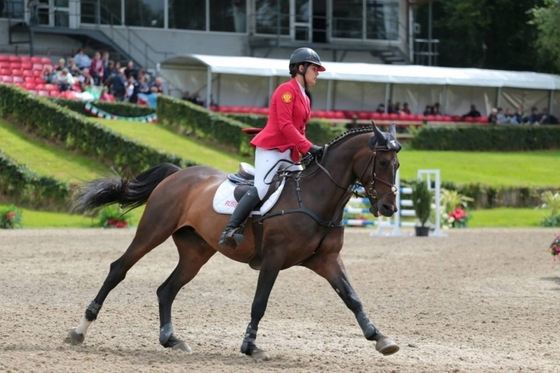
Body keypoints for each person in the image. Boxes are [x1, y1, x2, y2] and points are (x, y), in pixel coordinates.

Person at [218, 47, 326, 249]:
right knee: (261, 188)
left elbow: (300, 130)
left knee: (303, 184)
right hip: (272, 150)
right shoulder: (286, 91)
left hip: (289, 153)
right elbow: (286, 126)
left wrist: (306, 151)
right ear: (300, 68)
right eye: (314, 68)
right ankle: (230, 229)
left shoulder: (305, 96)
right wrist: (309, 147)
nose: (317, 73)